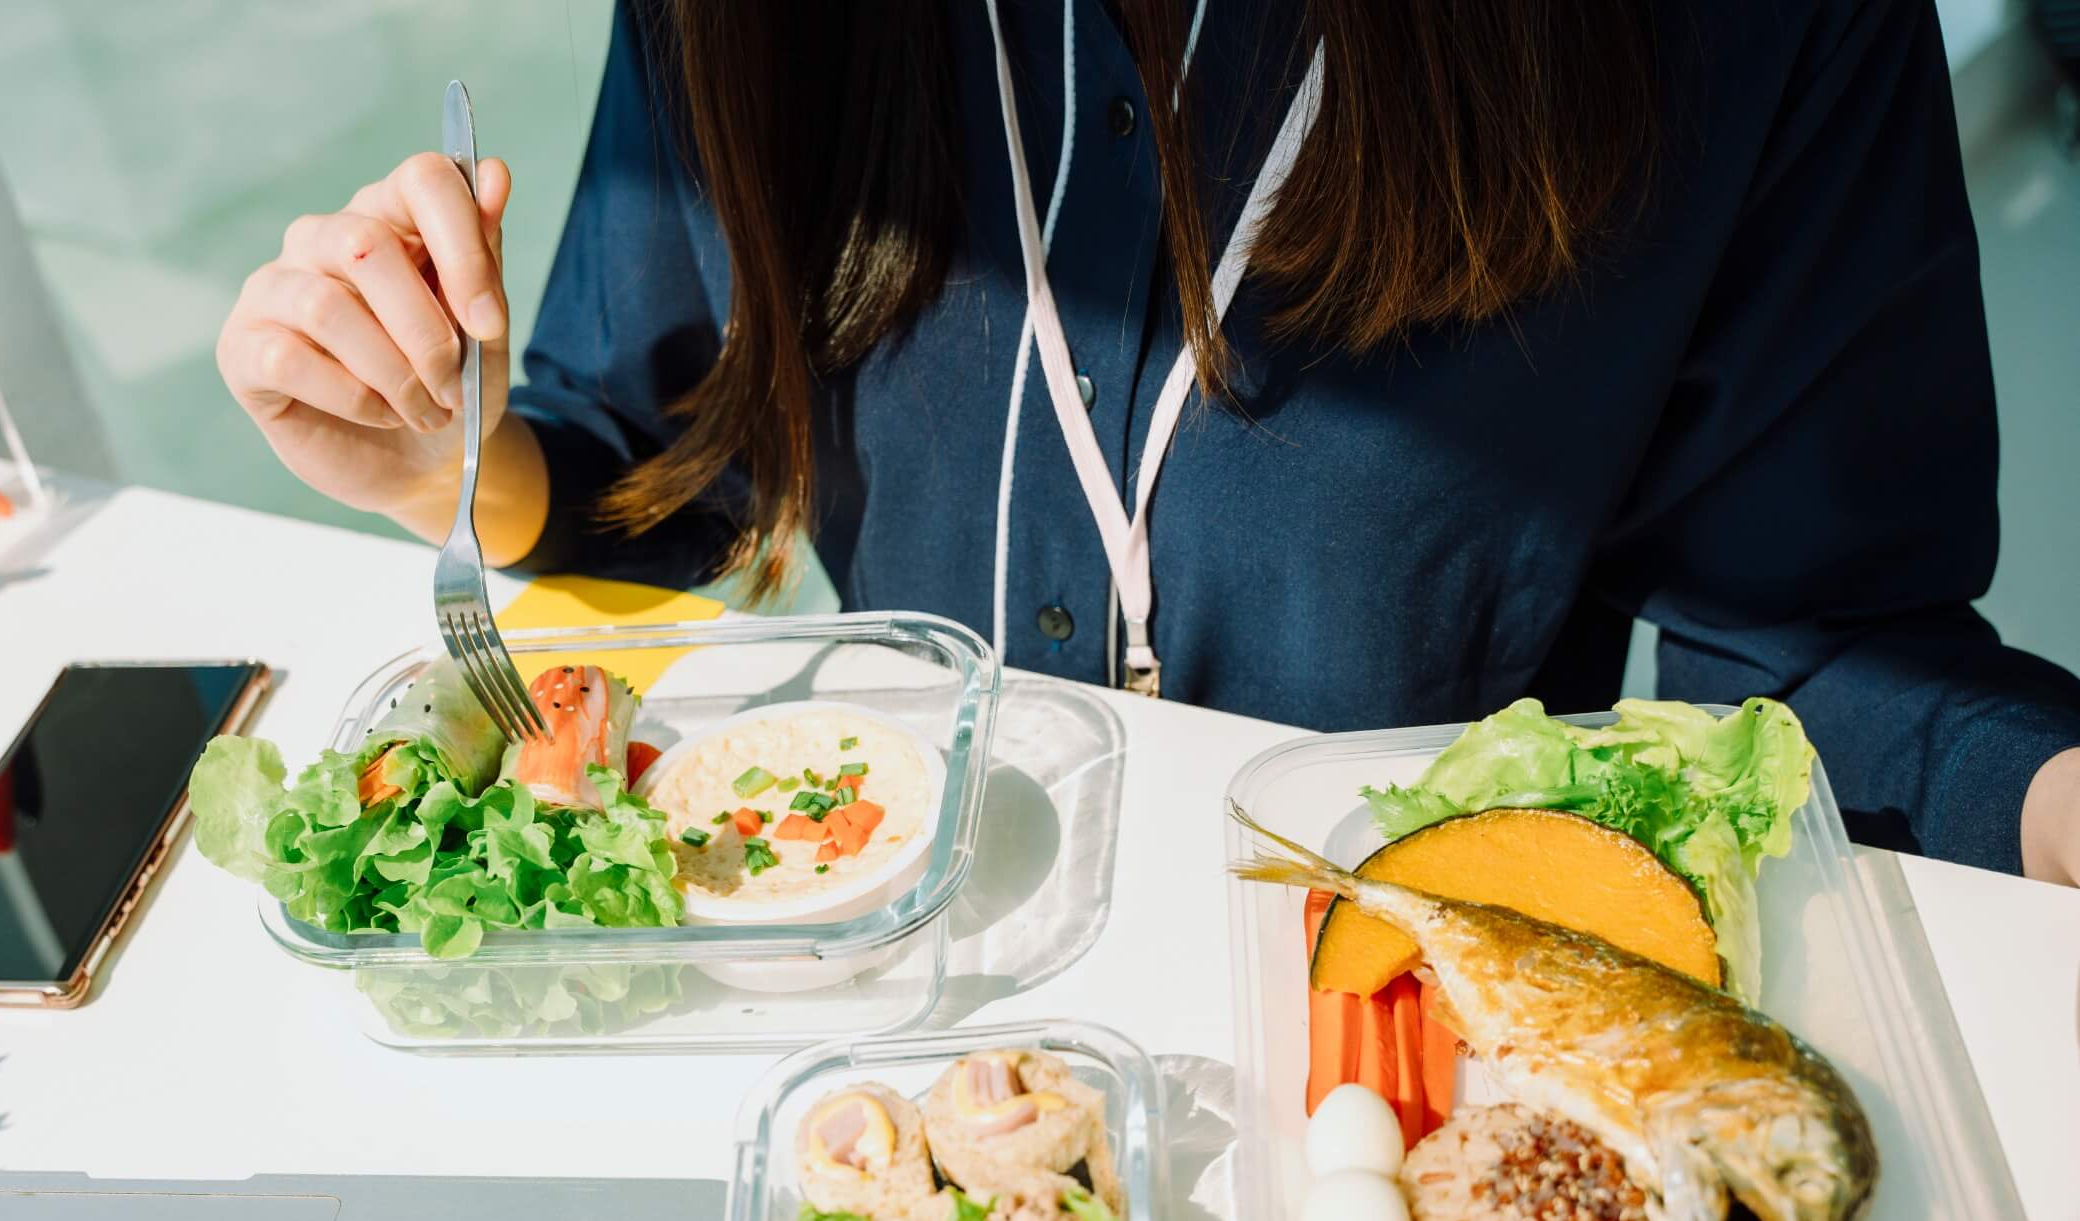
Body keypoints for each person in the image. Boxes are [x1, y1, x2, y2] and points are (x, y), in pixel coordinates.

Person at [217, 0, 2080, 884]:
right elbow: (678, 455)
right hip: (848, 973)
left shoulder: (1751, 41)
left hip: (1393, 1017)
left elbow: (1825, 656)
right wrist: (442, 459)